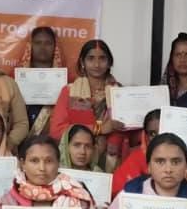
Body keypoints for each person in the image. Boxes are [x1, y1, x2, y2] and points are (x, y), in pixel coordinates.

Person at [48, 39, 129, 172]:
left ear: (109, 62)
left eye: (102, 58)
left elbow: (130, 128)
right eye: (91, 58)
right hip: (76, 161)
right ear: (82, 62)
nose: (97, 64)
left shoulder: (120, 93)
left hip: (114, 160)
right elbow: (56, 131)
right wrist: (99, 129)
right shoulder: (69, 91)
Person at [18, 27, 67, 133]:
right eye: (37, 43)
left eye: (48, 43)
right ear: (30, 46)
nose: (42, 47)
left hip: (54, 137)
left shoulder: (65, 82)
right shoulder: (18, 78)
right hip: (23, 135)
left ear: (55, 47)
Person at [109, 109, 164, 196]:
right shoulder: (136, 158)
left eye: (163, 132)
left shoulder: (183, 160)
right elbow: (115, 192)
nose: (158, 138)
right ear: (145, 136)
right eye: (152, 134)